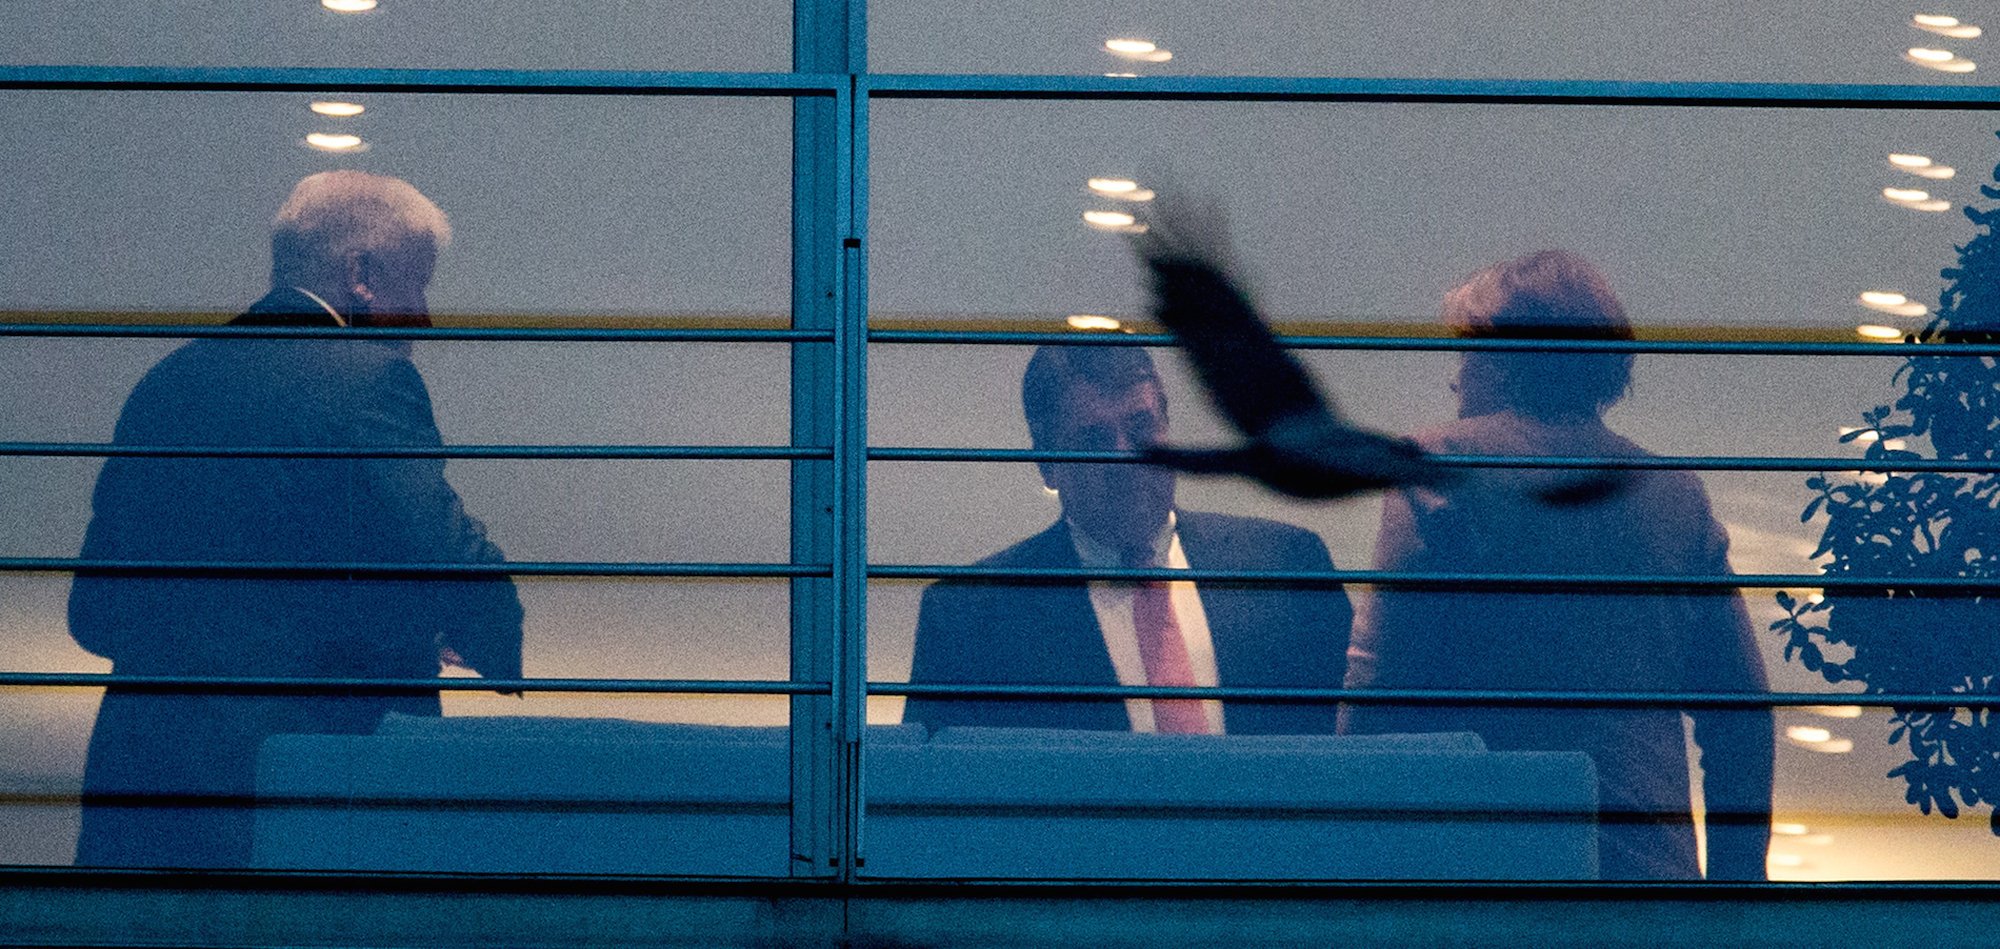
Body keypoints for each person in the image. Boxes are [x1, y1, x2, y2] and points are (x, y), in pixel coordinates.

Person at [68, 170, 524, 869]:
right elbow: (442, 550)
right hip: (293, 803)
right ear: (362, 274)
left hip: (138, 793)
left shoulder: (167, 382)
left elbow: (94, 611)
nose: (426, 315)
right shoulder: (365, 378)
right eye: (418, 283)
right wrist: (491, 632)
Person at [1341, 250, 1773, 881]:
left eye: (1465, 353)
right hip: (1647, 883)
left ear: (1502, 359)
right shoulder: (1675, 495)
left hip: (1485, 878)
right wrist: (1735, 889)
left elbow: (1375, 687)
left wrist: (1346, 861)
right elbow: (1739, 714)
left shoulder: (1438, 466)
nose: (1455, 380)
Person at [902, 344, 1352, 735]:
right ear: (1046, 464)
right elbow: (937, 801)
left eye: (1140, 427)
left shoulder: (1288, 568)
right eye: (1094, 438)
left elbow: (1356, 751)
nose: (1125, 457)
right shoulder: (970, 618)